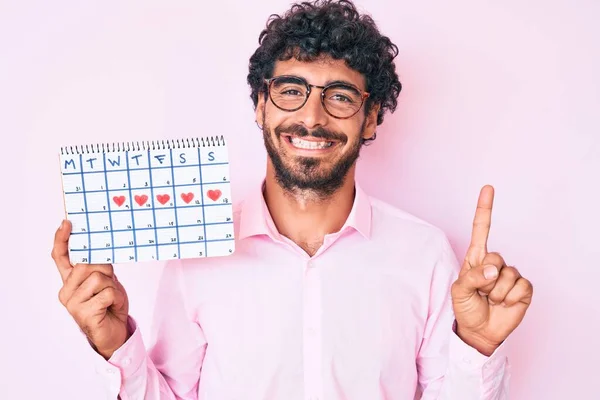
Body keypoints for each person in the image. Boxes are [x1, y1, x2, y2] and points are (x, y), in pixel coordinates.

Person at [51, 1, 533, 399]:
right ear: (261, 106)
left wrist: (477, 343)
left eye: (340, 96)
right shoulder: (194, 257)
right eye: (290, 91)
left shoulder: (425, 255)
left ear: (369, 119)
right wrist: (115, 346)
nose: (312, 116)